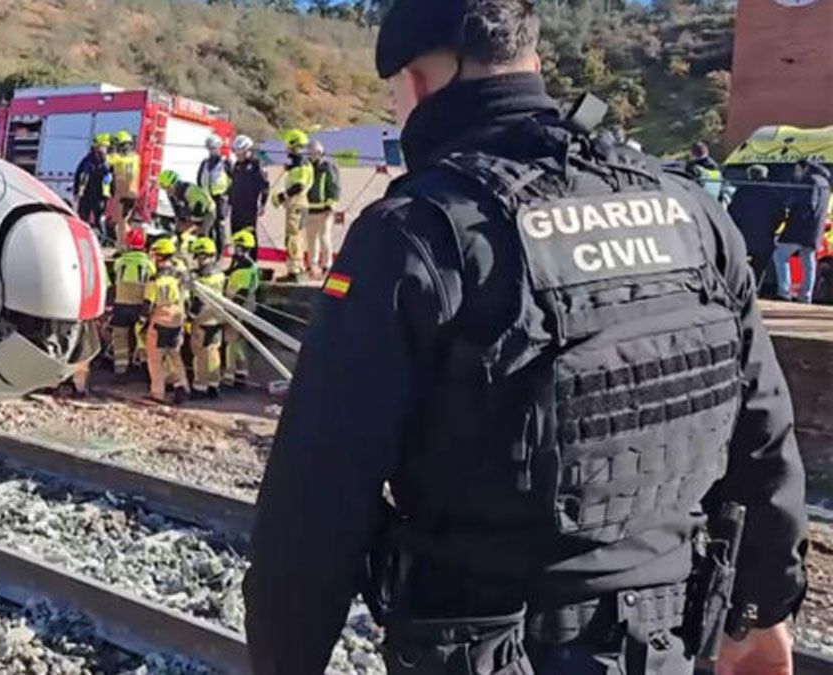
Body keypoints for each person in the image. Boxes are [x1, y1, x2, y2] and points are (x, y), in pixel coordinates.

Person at [244, 2, 808, 675]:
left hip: (486, 648)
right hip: (665, 647)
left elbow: (314, 506)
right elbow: (765, 435)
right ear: (532, 62)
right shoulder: (694, 215)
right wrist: (763, 607)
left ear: (421, 84)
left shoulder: (413, 235)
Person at [774, 158, 832, 303]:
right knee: (808, 261)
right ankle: (805, 296)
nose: (796, 172)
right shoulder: (825, 182)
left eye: (797, 169)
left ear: (804, 168)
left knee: (779, 254)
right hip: (815, 230)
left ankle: (784, 291)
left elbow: (808, 204)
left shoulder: (809, 181)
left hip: (800, 228)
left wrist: (792, 208)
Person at [143, 237, 190, 405]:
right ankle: (182, 386)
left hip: (160, 321)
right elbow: (187, 298)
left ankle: (158, 394)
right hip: (177, 320)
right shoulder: (179, 276)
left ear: (160, 257)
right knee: (174, 355)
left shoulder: (155, 280)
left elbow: (147, 304)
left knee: (155, 359)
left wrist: (142, 322)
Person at [727, 164, 786, 292]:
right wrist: (771, 227)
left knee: (739, 264)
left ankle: (738, 289)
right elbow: (781, 214)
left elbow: (731, 212)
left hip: (742, 237)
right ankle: (753, 290)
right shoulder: (773, 193)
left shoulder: (742, 191)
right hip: (765, 238)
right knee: (759, 267)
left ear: (750, 175)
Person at [111, 227, 156, 376]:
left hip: (121, 305)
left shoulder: (120, 262)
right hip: (139, 306)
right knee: (141, 337)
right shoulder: (148, 264)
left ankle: (120, 370)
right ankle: (144, 368)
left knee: (120, 338)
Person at [273, 129, 315, 282]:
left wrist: (282, 196)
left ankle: (295, 271)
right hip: (298, 204)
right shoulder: (300, 164)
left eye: (289, 148)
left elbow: (299, 186)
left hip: (296, 203)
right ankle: (298, 267)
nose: (288, 151)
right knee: (297, 236)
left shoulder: (301, 165)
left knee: (293, 237)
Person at [187, 236, 227, 399]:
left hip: (202, 319)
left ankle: (199, 387)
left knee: (200, 354)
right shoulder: (220, 274)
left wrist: (190, 316)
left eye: (199, 257)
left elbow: (198, 301)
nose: (197, 261)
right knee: (213, 352)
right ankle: (214, 384)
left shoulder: (200, 278)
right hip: (217, 318)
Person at [223, 229, 261, 389]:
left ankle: (229, 377)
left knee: (230, 342)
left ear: (241, 248)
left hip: (238, 309)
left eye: (236, 247)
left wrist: (231, 311)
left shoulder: (243, 270)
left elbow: (239, 293)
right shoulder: (250, 266)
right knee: (239, 343)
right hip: (248, 308)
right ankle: (242, 373)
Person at [229, 135, 271, 261]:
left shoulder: (256, 164)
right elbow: (234, 184)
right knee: (236, 234)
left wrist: (263, 204)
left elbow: (265, 186)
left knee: (249, 234)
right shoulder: (236, 165)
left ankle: (252, 261)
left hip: (249, 207)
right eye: (236, 152)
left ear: (248, 150)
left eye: (240, 152)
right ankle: (237, 260)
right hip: (236, 206)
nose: (238, 155)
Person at [304, 140, 341, 278]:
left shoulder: (328, 167)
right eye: (310, 152)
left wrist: (331, 204)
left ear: (321, 152)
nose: (312, 155)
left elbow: (334, 187)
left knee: (324, 237)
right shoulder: (306, 167)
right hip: (309, 209)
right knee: (311, 239)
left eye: (314, 152)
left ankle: (327, 265)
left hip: (325, 210)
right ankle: (312, 266)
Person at [198, 135, 234, 256]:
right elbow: (199, 179)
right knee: (208, 224)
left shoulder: (225, 162)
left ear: (219, 147)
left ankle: (220, 252)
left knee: (219, 225)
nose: (212, 150)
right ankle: (208, 250)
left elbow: (233, 178)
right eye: (210, 148)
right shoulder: (205, 162)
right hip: (208, 198)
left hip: (221, 198)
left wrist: (228, 195)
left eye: (214, 148)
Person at [158, 169, 217, 242]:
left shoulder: (189, 191)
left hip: (207, 210)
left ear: (176, 184)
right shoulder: (171, 193)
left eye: (168, 188)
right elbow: (177, 210)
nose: (167, 191)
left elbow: (199, 208)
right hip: (191, 209)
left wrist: (193, 225)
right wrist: (180, 224)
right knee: (179, 231)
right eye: (164, 188)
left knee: (201, 233)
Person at [107, 130, 142, 249]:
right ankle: (123, 244)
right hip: (129, 194)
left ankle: (124, 245)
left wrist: (110, 149)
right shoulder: (135, 158)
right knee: (121, 222)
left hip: (125, 195)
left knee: (122, 223)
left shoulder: (120, 159)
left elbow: (108, 160)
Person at [74, 133, 113, 241]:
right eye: (101, 147)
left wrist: (112, 193)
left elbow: (111, 178)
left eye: (105, 148)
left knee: (98, 219)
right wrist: (77, 191)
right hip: (87, 194)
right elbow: (79, 175)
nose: (103, 150)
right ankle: (81, 238)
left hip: (100, 195)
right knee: (82, 218)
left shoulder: (108, 162)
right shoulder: (87, 160)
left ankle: (101, 240)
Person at [686, 141, 727, 205]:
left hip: (699, 205)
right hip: (714, 206)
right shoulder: (717, 171)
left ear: (692, 154)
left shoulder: (693, 169)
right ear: (707, 152)